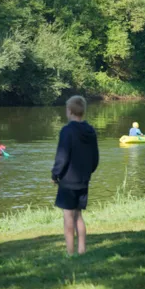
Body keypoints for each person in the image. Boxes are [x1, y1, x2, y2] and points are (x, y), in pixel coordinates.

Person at [51, 95, 99, 256]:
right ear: (83, 111)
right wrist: (87, 173)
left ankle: (70, 252)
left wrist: (55, 174)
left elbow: (62, 156)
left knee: (68, 216)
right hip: (83, 179)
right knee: (79, 215)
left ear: (69, 111)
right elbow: (95, 158)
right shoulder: (90, 130)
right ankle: (82, 250)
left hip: (68, 180)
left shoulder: (67, 131)